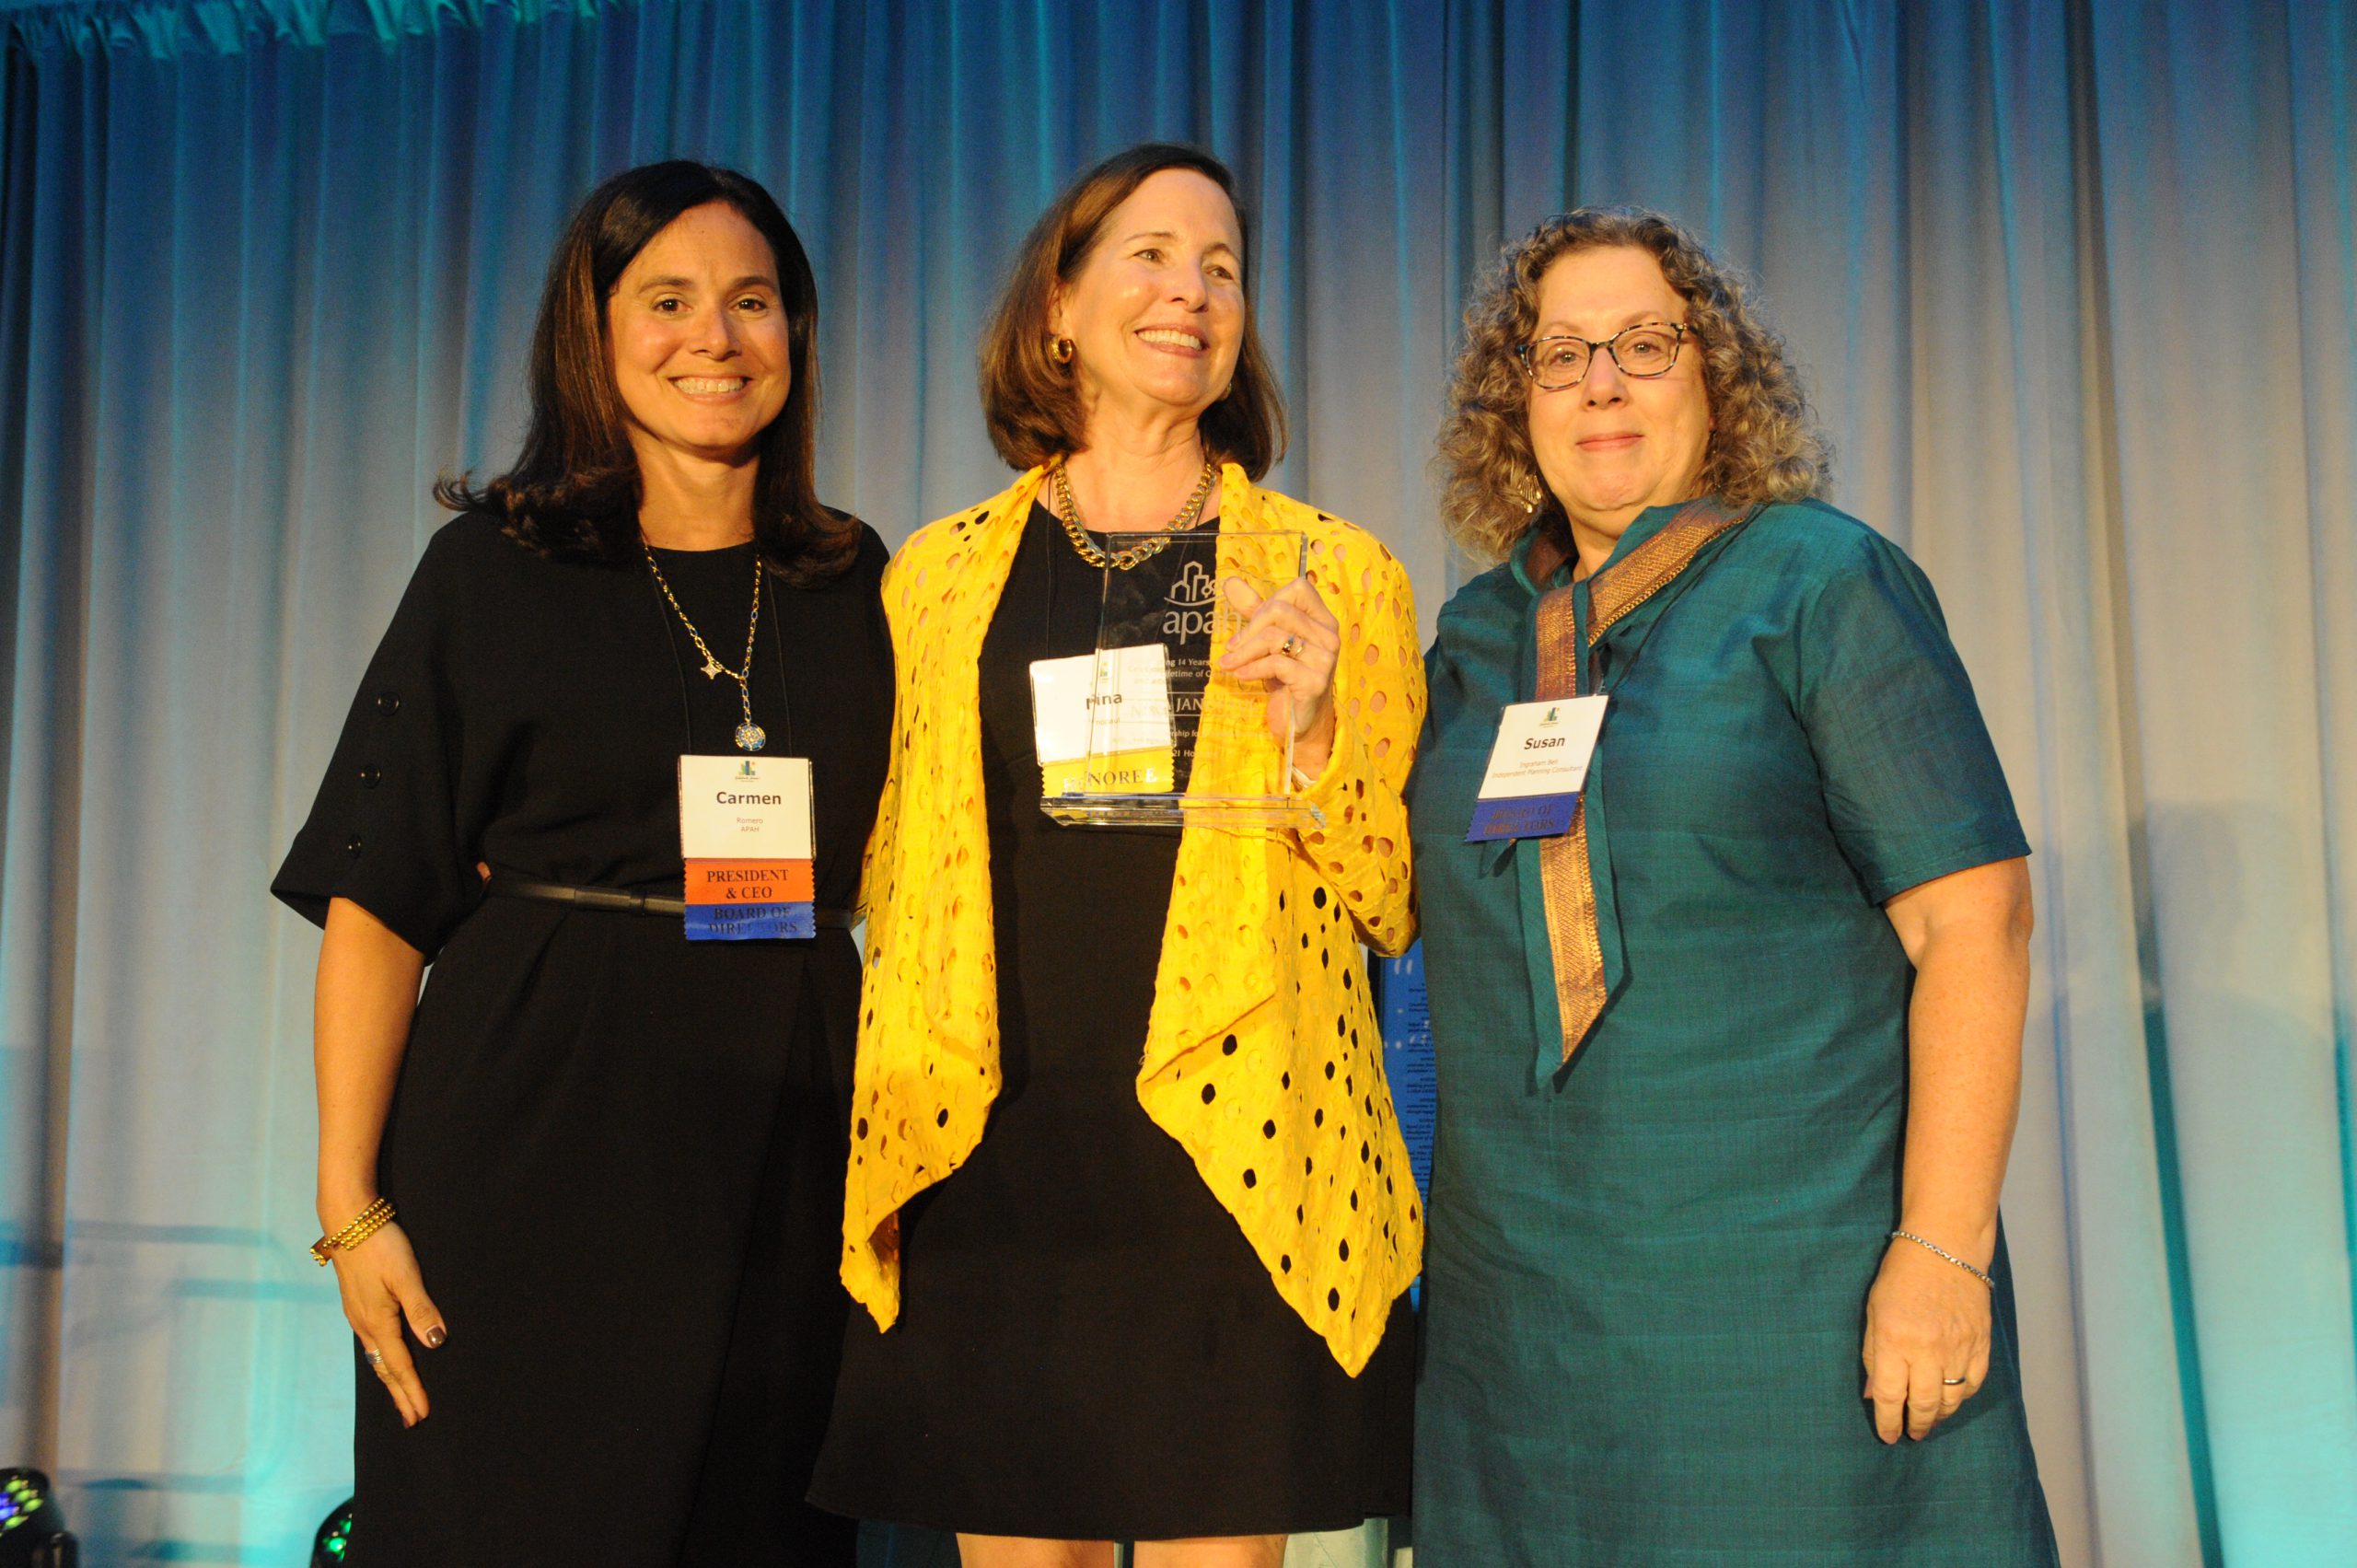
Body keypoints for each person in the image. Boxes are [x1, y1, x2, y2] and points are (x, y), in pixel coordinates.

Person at [1408, 207, 2060, 1565]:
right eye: (1562, 353)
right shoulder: (1471, 641)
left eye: (1646, 345)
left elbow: (1976, 920)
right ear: (1511, 404)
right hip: (1520, 1330)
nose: (1602, 382)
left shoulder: (1821, 583)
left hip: (1794, 1295)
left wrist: (1943, 1256)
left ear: (1718, 378)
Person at [807, 144, 1423, 1568]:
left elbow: (1393, 901)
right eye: (1150, 255)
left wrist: (1320, 734)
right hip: (993, 1149)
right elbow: (890, 877)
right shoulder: (938, 574)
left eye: (1221, 267)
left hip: (1227, 1149)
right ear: (1058, 311)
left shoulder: (1342, 571)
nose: (1191, 291)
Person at [272, 161, 889, 1567]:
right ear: (595, 333)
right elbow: (377, 900)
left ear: (796, 331)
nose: (713, 340)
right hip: (533, 1149)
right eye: (666, 302)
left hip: (783, 1162)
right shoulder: (493, 571)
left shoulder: (856, 583)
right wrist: (349, 1208)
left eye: (751, 302)